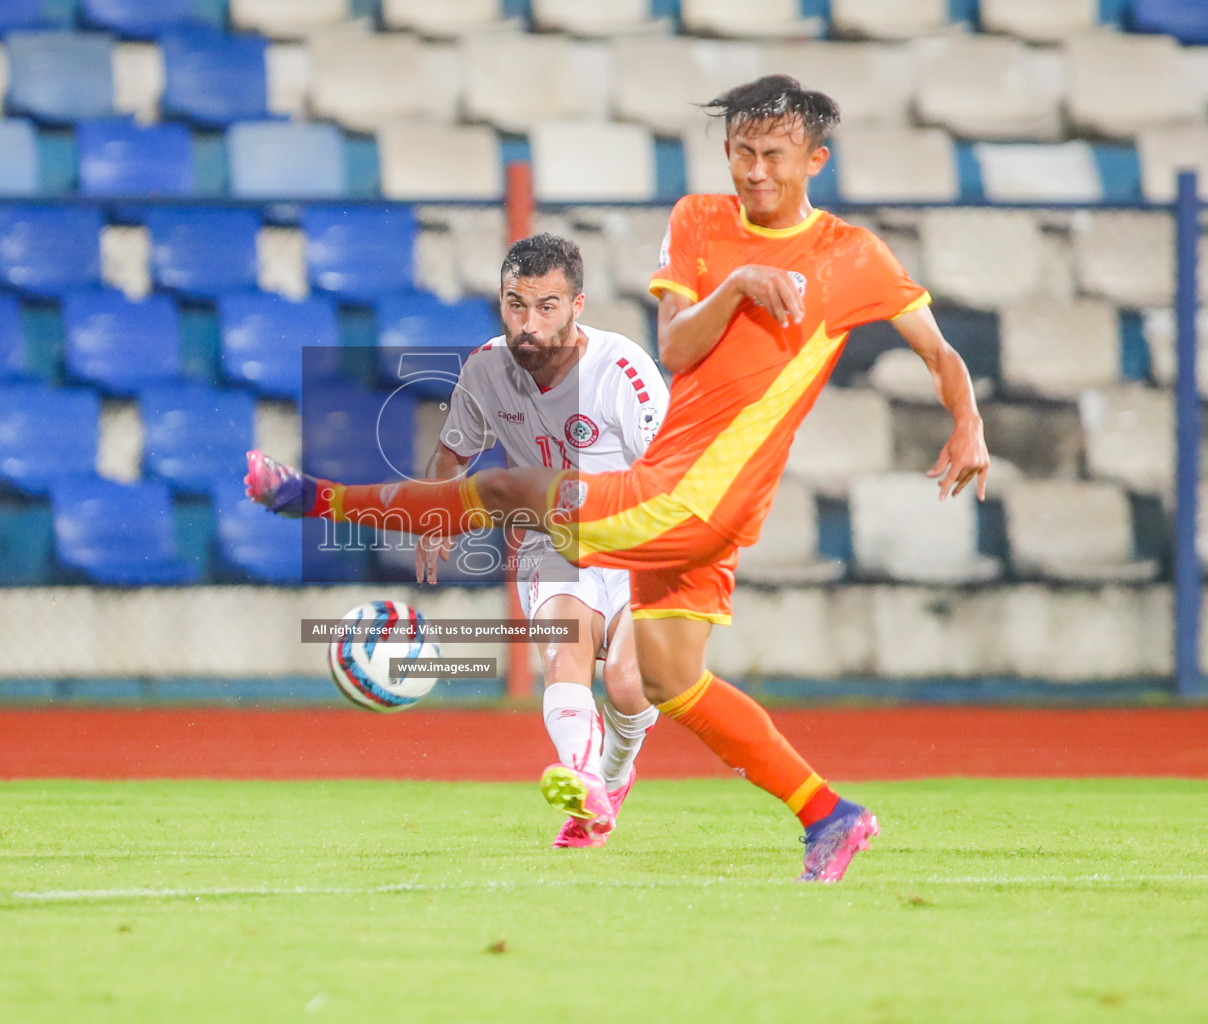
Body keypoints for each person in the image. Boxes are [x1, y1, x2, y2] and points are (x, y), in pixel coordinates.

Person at [246, 75, 990, 883]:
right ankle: (828, 815)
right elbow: (678, 346)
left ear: (817, 158)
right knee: (672, 679)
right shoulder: (700, 221)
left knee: (507, 491)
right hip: (694, 488)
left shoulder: (853, 256)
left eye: (773, 155)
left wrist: (969, 419)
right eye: (740, 151)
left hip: (695, 492)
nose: (753, 171)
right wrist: (738, 285)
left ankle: (306, 496)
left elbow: (939, 351)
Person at [415, 232, 673, 848]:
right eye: (515, 304)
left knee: (630, 685)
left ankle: (610, 778)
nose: (528, 324)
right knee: (567, 654)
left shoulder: (624, 373)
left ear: (577, 306)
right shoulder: (486, 371)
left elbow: (673, 477)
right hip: (551, 545)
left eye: (546, 307)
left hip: (640, 541)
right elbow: (453, 453)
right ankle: (586, 786)